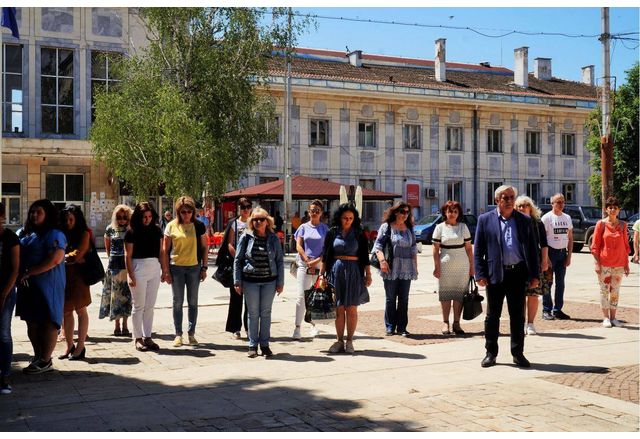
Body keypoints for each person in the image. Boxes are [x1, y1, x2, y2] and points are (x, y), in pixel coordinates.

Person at [474, 185, 539, 368]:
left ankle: (518, 353)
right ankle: (490, 353)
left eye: (512, 197)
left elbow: (533, 250)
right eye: (505, 197)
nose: (509, 200)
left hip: (518, 273)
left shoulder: (525, 221)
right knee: (492, 316)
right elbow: (478, 250)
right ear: (497, 200)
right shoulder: (485, 220)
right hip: (495, 274)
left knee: (517, 316)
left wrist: (535, 275)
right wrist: (479, 273)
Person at [16, 199, 67, 374]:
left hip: (48, 286)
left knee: (48, 323)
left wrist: (31, 271)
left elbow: (55, 259)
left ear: (48, 215)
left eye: (39, 212)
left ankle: (45, 359)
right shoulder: (24, 233)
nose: (34, 215)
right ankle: (38, 357)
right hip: (27, 286)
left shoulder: (54, 234)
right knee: (32, 322)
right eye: (32, 212)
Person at [321, 203, 372, 354]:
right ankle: (339, 341)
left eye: (351, 218)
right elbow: (326, 255)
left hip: (354, 271)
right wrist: (322, 275)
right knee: (339, 307)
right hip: (336, 271)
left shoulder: (359, 233)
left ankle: (350, 340)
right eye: (345, 218)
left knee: (351, 308)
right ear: (339, 218)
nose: (348, 220)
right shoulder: (332, 232)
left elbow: (365, 256)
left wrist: (368, 274)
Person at [233, 208, 284, 358]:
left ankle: (265, 345)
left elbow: (279, 261)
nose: (258, 222)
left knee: (266, 313)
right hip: (250, 281)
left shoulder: (274, 238)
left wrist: (280, 282)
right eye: (255, 219)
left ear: (267, 221)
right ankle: (252, 345)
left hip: (270, 281)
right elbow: (238, 259)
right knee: (253, 313)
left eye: (261, 219)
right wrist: (237, 281)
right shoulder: (246, 237)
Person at [163, 196, 208, 347]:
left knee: (193, 301)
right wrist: (166, 271)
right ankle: (178, 334)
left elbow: (204, 247)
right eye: (183, 212)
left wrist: (204, 267)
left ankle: (191, 333)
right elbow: (165, 250)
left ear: (193, 212)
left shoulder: (199, 225)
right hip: (176, 268)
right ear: (178, 212)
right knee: (177, 302)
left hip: (194, 267)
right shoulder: (171, 226)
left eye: (189, 211)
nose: (186, 214)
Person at [373, 202, 418, 337]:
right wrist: (382, 261)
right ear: (396, 212)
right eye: (402, 212)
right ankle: (390, 326)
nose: (405, 215)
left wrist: (415, 267)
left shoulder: (409, 228)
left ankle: (402, 327)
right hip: (391, 267)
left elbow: (414, 247)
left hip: (407, 268)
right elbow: (377, 247)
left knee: (404, 299)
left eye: (407, 212)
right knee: (390, 298)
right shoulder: (386, 227)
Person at [125, 202, 165, 351]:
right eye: (144, 217)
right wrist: (130, 274)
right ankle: (138, 338)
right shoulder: (131, 232)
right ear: (138, 217)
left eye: (149, 216)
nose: (147, 219)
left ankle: (148, 337)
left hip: (154, 267)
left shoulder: (157, 230)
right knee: (139, 305)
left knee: (150, 306)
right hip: (138, 267)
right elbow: (127, 255)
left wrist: (164, 270)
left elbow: (161, 252)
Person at [432, 201, 473, 335]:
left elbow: (468, 249)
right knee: (445, 295)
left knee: (459, 295)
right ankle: (445, 322)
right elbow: (435, 249)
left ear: (458, 213)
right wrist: (436, 267)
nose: (452, 214)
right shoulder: (439, 228)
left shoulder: (463, 227)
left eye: (455, 211)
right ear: (445, 212)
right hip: (445, 266)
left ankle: (456, 323)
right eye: (450, 211)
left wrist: (472, 267)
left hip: (462, 266)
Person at [590, 196, 631, 328]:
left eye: (615, 207)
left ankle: (613, 318)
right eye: (610, 207)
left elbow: (626, 246)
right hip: (604, 263)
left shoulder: (623, 225)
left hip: (619, 264)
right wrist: (597, 263)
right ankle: (605, 318)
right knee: (604, 291)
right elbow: (595, 246)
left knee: (615, 291)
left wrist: (626, 264)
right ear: (606, 209)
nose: (613, 209)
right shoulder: (600, 224)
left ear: (619, 210)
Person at [59, 205, 92, 361]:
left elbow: (77, 254)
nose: (68, 222)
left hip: (79, 278)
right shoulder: (61, 234)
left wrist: (61, 257)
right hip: (63, 277)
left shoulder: (84, 233)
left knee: (81, 311)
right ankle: (69, 345)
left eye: (71, 219)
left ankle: (80, 347)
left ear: (77, 219)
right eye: (65, 219)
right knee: (66, 312)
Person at [292, 200, 329, 340]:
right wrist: (307, 260)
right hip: (304, 264)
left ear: (321, 213)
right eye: (312, 210)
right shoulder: (303, 227)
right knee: (301, 297)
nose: (314, 213)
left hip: (319, 265)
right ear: (308, 212)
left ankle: (314, 325)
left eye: (317, 210)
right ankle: (297, 328)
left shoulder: (325, 229)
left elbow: (327, 248)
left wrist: (317, 261)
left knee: (317, 297)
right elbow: (298, 246)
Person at [515, 196, 550, 336]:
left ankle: (530, 323)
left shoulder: (537, 223)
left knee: (533, 294)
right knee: (519, 296)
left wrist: (545, 261)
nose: (522, 208)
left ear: (531, 207)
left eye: (525, 205)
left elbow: (544, 244)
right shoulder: (514, 222)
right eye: (519, 206)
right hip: (518, 263)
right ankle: (521, 323)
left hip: (534, 263)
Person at [99, 205, 133, 337]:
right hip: (114, 266)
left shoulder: (131, 230)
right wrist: (111, 258)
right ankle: (117, 325)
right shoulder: (110, 229)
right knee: (116, 296)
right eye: (119, 217)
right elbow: (107, 246)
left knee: (127, 296)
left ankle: (125, 325)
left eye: (125, 217)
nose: (122, 220)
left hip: (127, 266)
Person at [540, 193, 573, 321]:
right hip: (550, 253)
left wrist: (569, 255)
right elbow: (542, 240)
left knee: (561, 283)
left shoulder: (567, 218)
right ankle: (546, 309)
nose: (561, 204)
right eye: (558, 202)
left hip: (561, 253)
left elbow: (570, 238)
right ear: (552, 203)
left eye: (562, 202)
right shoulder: (547, 218)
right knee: (547, 282)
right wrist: (545, 258)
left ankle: (558, 309)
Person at [224, 197, 251, 339]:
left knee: (251, 298)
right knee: (236, 297)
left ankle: (249, 327)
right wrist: (238, 259)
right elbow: (229, 243)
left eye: (248, 206)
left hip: (252, 265)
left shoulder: (254, 222)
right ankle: (235, 328)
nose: (245, 209)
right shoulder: (234, 223)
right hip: (238, 264)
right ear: (239, 208)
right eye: (243, 207)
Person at [0, 202, 20, 393]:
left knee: (3, 333)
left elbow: (15, 270)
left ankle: (5, 376)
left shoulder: (10, 238)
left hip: (5, 291)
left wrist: (4, 294)